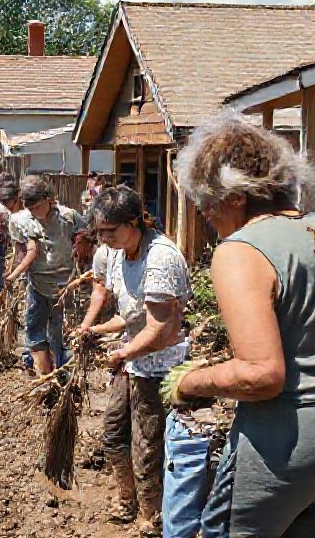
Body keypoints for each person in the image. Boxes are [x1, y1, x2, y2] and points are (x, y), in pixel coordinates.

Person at [168, 114, 315, 537]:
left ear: (234, 197)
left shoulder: (241, 250)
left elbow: (261, 375)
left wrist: (191, 383)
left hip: (289, 443)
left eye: (207, 206)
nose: (208, 219)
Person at [84, 185, 190, 535]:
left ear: (134, 222)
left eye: (110, 231)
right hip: (133, 359)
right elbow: (131, 316)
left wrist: (122, 352)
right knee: (114, 432)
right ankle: (126, 497)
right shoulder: (118, 253)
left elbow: (161, 329)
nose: (104, 239)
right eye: (99, 232)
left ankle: (151, 515)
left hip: (160, 365)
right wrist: (96, 330)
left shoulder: (159, 257)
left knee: (147, 444)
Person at [5, 176, 86, 375]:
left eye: (38, 207)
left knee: (60, 336)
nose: (35, 212)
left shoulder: (69, 217)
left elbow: (85, 243)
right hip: (37, 284)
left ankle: (61, 377)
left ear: (49, 199)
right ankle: (45, 375)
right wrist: (14, 274)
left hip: (65, 286)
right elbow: (22, 252)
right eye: (30, 208)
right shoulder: (19, 221)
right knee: (33, 332)